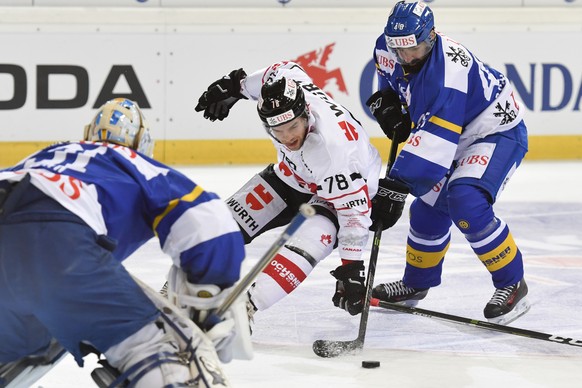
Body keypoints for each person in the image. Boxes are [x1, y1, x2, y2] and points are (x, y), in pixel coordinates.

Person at [0, 98, 246, 387]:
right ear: (142, 142)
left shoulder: (48, 155)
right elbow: (209, 222)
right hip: (55, 246)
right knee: (168, 357)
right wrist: (208, 298)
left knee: (24, 345)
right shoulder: (132, 163)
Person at [195, 61, 403, 318]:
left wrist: (351, 272)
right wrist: (236, 87)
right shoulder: (288, 87)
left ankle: (245, 308)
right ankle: (181, 292)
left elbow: (353, 214)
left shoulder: (333, 152)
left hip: (341, 195)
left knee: (306, 244)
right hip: (294, 176)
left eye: (293, 126)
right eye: (277, 130)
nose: (288, 137)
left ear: (306, 114)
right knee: (221, 226)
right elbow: (280, 69)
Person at [366, 1, 530, 325]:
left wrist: (396, 186)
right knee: (427, 211)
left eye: (414, 48)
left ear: (431, 35)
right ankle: (416, 285)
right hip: (455, 133)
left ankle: (513, 283)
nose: (407, 57)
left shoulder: (447, 71)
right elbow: (392, 83)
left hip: (494, 132)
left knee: (465, 201)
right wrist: (387, 103)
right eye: (400, 50)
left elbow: (435, 142)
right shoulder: (388, 49)